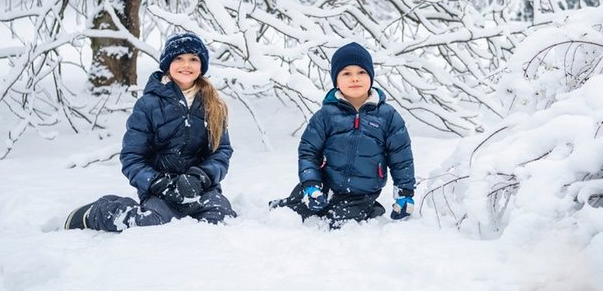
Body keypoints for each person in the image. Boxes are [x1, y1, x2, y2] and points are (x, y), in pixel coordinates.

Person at [65, 32, 237, 231]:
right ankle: (98, 212)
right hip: (159, 190)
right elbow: (132, 157)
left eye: (193, 59)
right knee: (150, 224)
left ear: (202, 65)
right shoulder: (148, 105)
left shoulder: (213, 105)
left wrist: (200, 177)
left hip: (202, 189)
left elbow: (221, 152)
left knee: (221, 221)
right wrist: (160, 184)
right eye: (178, 58)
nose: (186, 65)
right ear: (167, 64)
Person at [270, 42, 416, 228]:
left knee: (338, 222)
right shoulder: (326, 115)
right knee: (293, 212)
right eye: (347, 73)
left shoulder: (387, 116)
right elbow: (308, 152)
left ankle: (370, 209)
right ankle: (294, 202)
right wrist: (311, 185)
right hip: (325, 185)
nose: (355, 78)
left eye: (361, 72)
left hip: (361, 192)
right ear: (336, 81)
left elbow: (401, 158)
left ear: (371, 77)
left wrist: (405, 194)